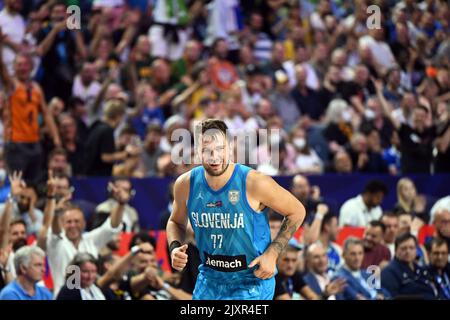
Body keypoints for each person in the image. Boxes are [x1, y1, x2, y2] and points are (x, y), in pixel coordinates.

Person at [166, 119, 306, 300]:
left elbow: (297, 211)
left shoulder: (255, 182)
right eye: (206, 150)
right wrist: (175, 247)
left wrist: (273, 253)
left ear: (230, 147)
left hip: (251, 281)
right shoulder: (185, 184)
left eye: (220, 149)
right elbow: (175, 221)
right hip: (209, 280)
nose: (214, 157)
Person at [41, 176, 127, 295]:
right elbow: (55, 232)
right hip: (66, 296)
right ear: (62, 223)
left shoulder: (91, 240)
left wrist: (121, 203)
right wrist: (56, 214)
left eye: (77, 221)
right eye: (69, 222)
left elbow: (111, 227)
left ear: (84, 223)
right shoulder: (56, 243)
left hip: (90, 294)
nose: (73, 225)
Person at [0, 41, 61, 182]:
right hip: (15, 143)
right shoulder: (11, 86)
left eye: (26, 64)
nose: (23, 68)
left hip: (34, 143)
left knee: (33, 186)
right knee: (17, 185)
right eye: (19, 65)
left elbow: (46, 113)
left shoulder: (37, 88)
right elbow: (2, 67)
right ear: (14, 68)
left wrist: (56, 137)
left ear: (31, 67)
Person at [381, 233, 437, 299]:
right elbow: (391, 297)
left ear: (416, 250)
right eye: (403, 248)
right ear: (396, 251)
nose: (408, 251)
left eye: (411, 248)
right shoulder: (389, 272)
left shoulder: (422, 270)